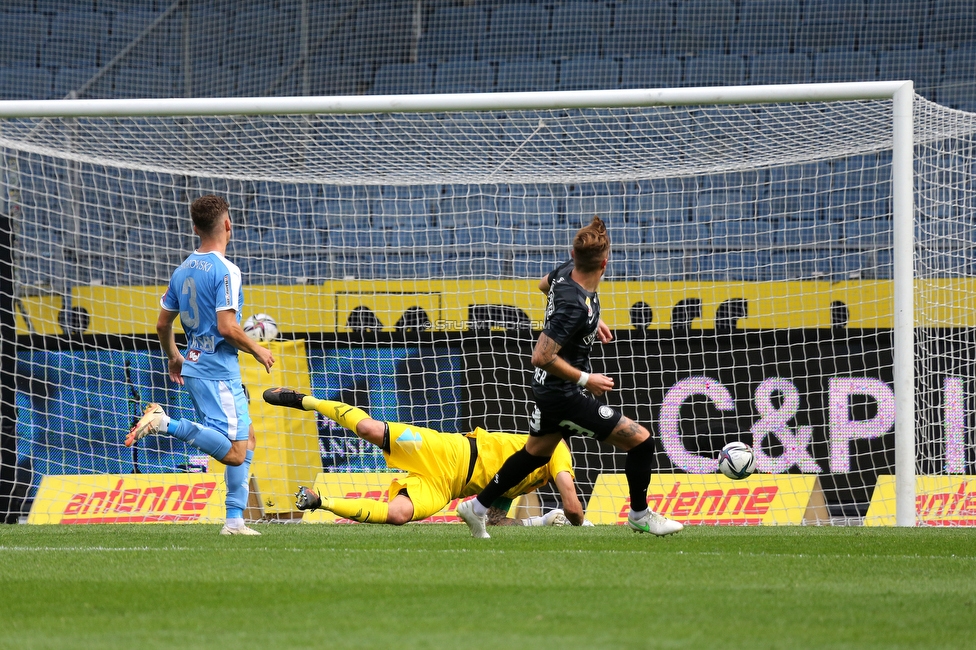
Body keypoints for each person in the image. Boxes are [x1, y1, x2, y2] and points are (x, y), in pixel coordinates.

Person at [456, 216, 684, 539]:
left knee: (535, 454)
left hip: (548, 390)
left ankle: (477, 508)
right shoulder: (574, 306)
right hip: (564, 394)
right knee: (641, 441)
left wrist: (593, 320)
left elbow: (543, 284)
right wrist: (585, 380)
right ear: (605, 263)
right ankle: (639, 515)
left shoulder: (567, 275)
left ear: (575, 257)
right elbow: (542, 356)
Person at [125, 195, 275, 536]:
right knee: (236, 454)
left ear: (195, 228)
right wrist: (257, 349)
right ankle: (164, 423)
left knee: (246, 437)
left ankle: (235, 521)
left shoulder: (183, 269)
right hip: (217, 372)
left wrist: (173, 356)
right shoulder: (227, 271)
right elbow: (227, 328)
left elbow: (163, 324)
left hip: (194, 366)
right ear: (227, 224)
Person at [263, 387, 587, 527]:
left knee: (398, 515)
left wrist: (540, 521)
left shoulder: (528, 482)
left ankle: (320, 502)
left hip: (447, 488)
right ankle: (305, 400)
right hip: (447, 450)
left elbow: (496, 521)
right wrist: (578, 522)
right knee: (369, 430)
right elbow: (572, 505)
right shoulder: (558, 449)